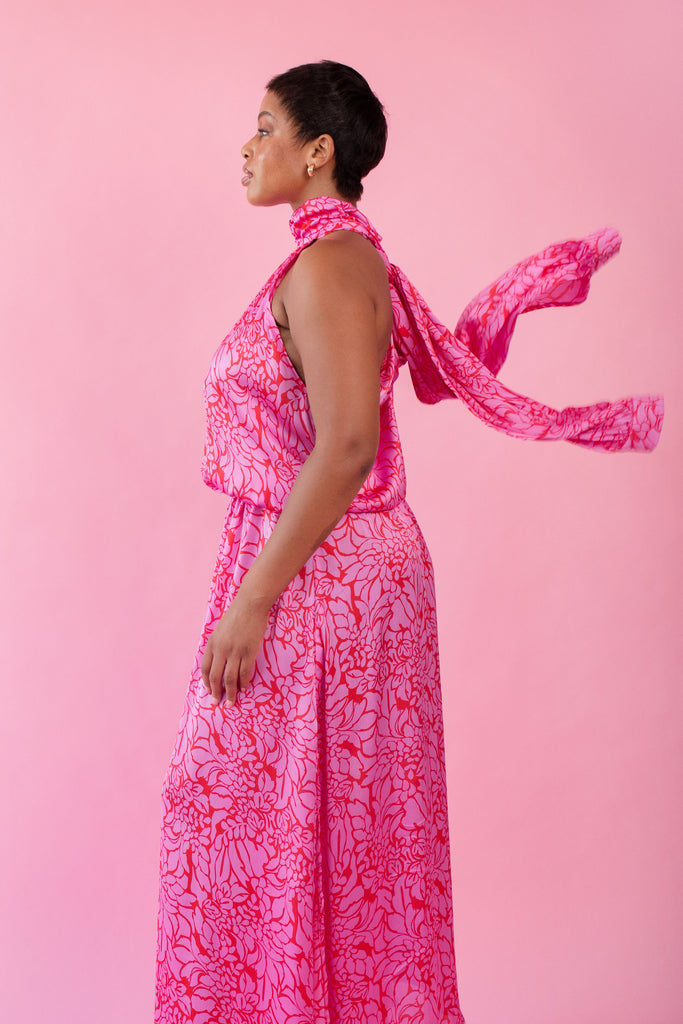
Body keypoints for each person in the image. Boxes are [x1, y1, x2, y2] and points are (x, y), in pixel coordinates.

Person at [154, 61, 662, 1024]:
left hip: (324, 577)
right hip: (325, 565)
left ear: (319, 152)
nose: (247, 145)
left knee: (273, 817)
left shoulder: (335, 263)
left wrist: (252, 599)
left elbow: (347, 444)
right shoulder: (327, 258)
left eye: (266, 126)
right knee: (298, 824)